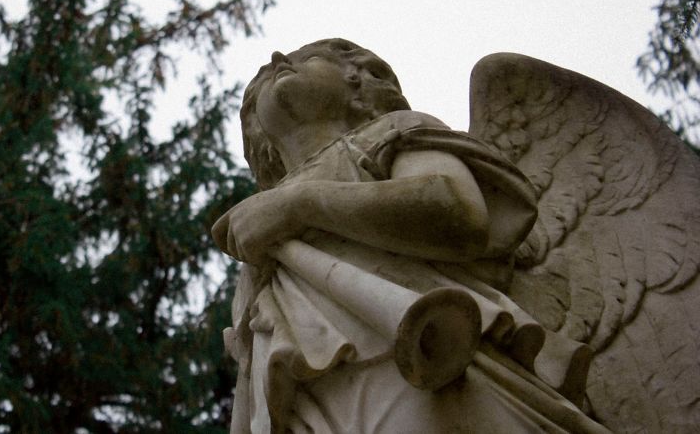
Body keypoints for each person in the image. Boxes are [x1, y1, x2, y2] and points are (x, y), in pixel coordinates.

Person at [212, 39, 608, 434]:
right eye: (262, 79)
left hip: (422, 358)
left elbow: (457, 212)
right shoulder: (255, 224)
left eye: (310, 57)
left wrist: (299, 206)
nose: (278, 59)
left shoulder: (392, 132)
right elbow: (252, 366)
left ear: (356, 80)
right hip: (306, 404)